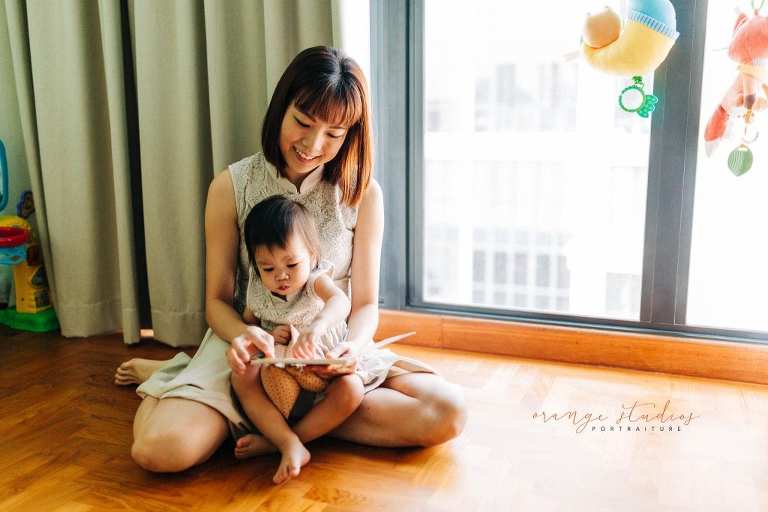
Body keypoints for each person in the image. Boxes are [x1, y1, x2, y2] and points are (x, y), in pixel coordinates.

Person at [116, 46, 466, 474]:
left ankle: (275, 427)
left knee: (448, 412)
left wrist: (349, 350)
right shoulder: (232, 186)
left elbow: (365, 305)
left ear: (351, 135)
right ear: (282, 108)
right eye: (302, 122)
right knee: (158, 452)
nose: (312, 145)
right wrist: (246, 337)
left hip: (328, 352)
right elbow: (217, 302)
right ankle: (184, 379)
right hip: (253, 349)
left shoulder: (363, 194)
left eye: (334, 134)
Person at [234, 194, 364, 484]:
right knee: (240, 377)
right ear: (256, 266)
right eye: (267, 268)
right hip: (280, 369)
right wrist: (267, 335)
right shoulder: (258, 290)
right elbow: (247, 322)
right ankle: (286, 441)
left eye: (291, 264)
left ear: (312, 256)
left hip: (320, 364)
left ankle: (284, 442)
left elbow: (340, 302)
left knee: (352, 390)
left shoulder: (315, 280)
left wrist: (317, 326)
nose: (281, 275)